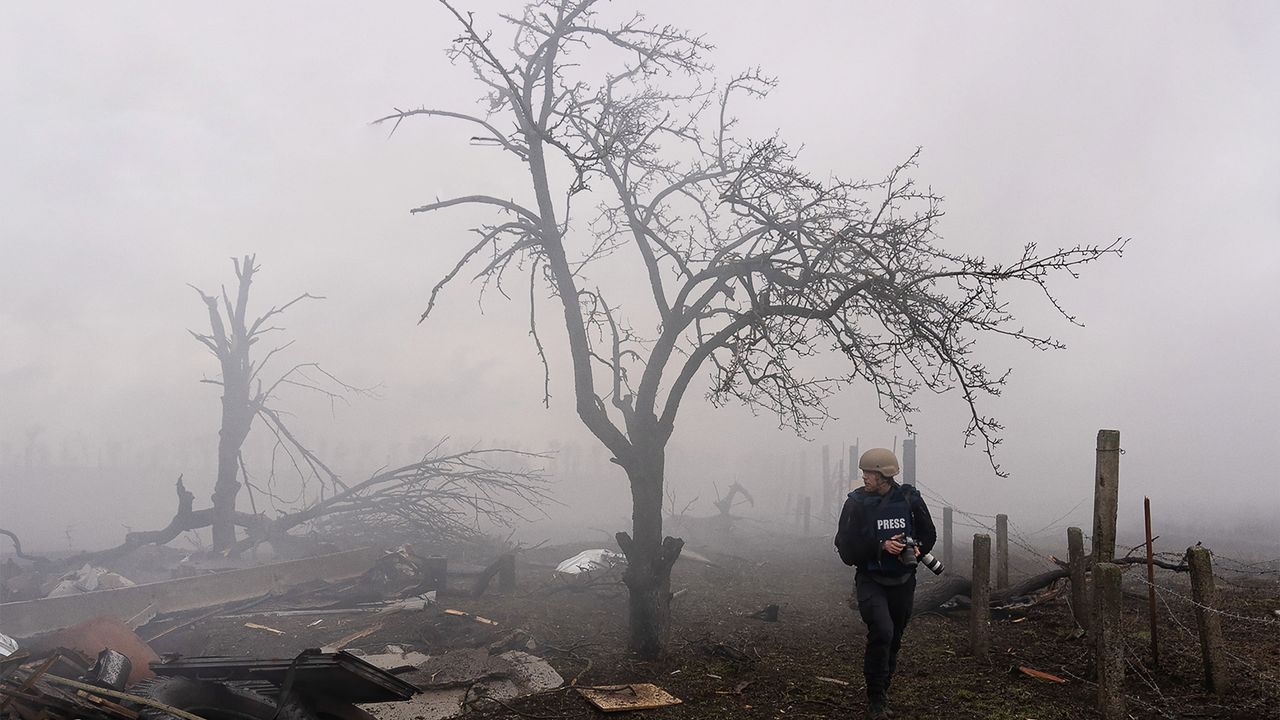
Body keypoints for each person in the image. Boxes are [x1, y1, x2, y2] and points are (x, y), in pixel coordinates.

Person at [834, 448, 937, 719]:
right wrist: (880, 546)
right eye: (864, 472)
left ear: (884, 475)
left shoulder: (909, 499)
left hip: (903, 580)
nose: (864, 477)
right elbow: (845, 548)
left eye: (870, 472)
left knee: (895, 637)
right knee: (882, 631)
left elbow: (929, 533)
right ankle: (875, 697)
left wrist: (917, 548)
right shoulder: (855, 504)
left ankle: (884, 687)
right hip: (870, 579)